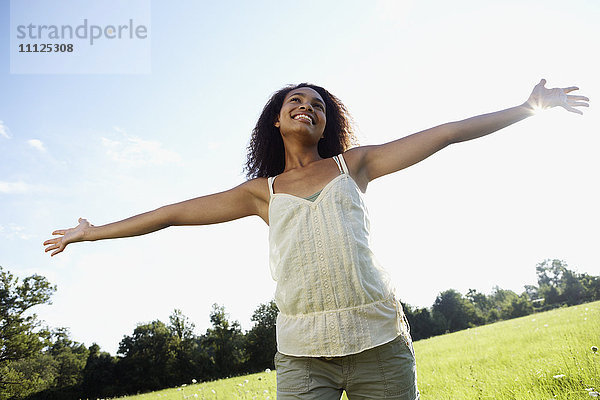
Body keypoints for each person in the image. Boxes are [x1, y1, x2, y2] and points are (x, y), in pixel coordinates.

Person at [44, 79, 588, 399]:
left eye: (317, 105)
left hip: (379, 345)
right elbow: (170, 215)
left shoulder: (356, 165)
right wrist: (92, 233)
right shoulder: (261, 192)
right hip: (304, 358)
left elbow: (445, 134)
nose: (306, 107)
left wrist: (526, 107)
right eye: (294, 104)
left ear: (325, 125)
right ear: (278, 124)